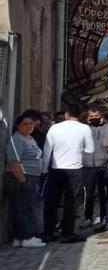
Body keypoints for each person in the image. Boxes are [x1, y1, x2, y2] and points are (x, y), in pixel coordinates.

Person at [41, 103, 93, 244]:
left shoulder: (55, 128)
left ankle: (48, 232)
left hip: (55, 168)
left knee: (52, 201)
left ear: (66, 114)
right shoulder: (85, 128)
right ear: (80, 114)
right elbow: (90, 150)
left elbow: (47, 152)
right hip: (75, 168)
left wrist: (44, 169)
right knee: (71, 203)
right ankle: (67, 233)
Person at [8, 110, 45, 247]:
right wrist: (23, 181)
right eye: (25, 124)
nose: (29, 126)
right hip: (24, 177)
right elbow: (13, 162)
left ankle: (19, 238)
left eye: (31, 123)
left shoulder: (29, 138)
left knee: (27, 208)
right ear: (18, 125)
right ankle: (27, 237)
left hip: (33, 177)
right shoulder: (17, 139)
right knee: (25, 209)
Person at [81, 106, 108, 231]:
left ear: (101, 116)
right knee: (89, 194)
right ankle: (88, 217)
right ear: (87, 118)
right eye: (91, 117)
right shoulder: (84, 129)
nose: (94, 118)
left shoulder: (107, 128)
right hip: (88, 165)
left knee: (103, 194)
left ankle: (103, 216)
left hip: (104, 164)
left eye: (96, 116)